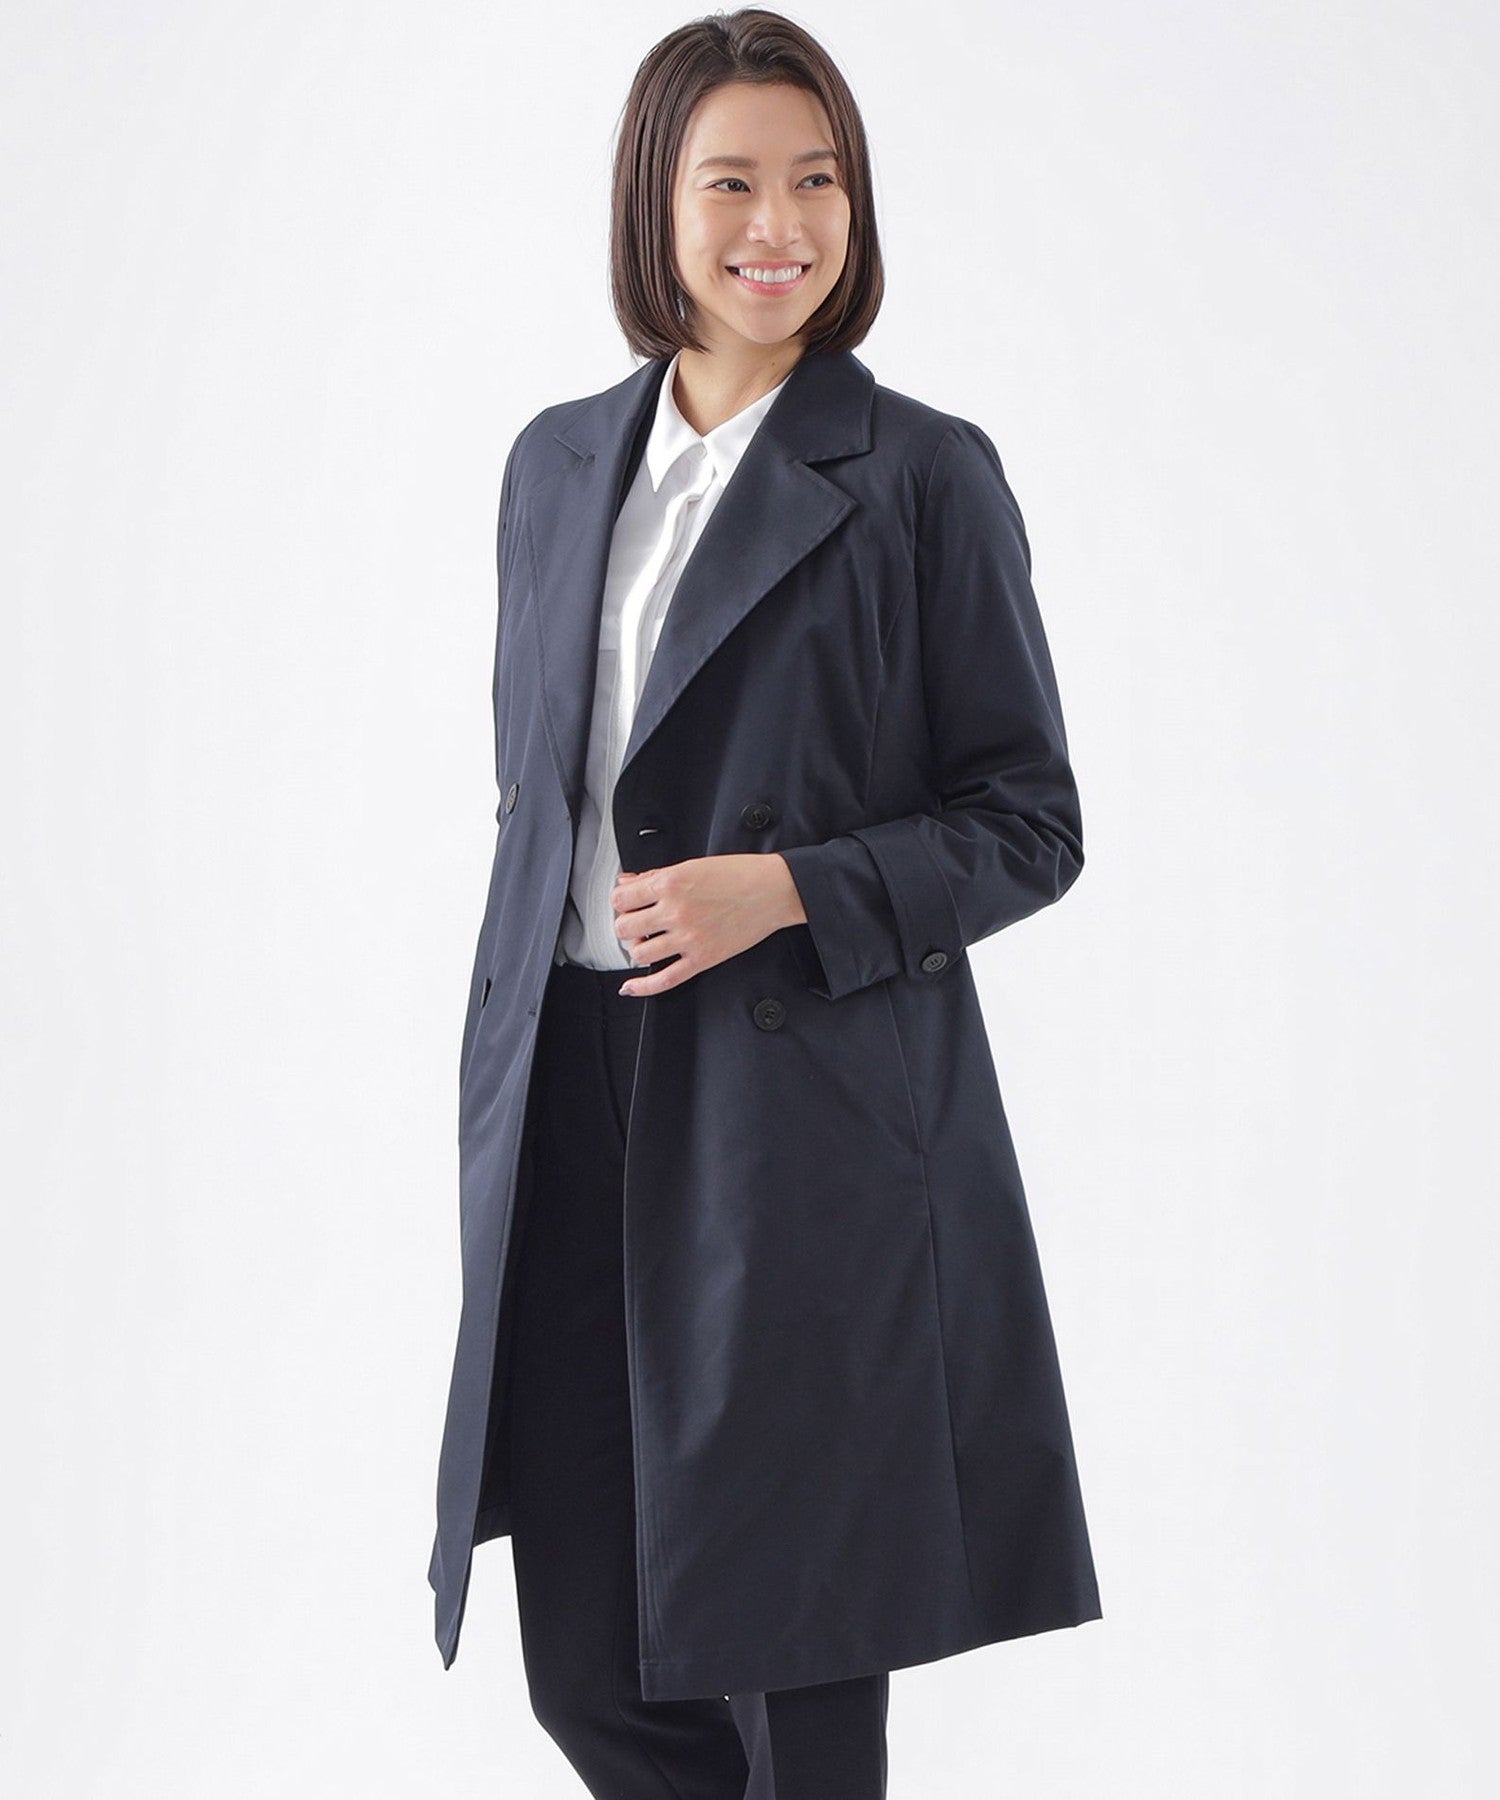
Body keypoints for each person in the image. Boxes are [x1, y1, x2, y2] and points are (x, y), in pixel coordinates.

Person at [429, 10, 1103, 1797]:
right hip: (570, 1093)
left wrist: (789, 889)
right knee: (590, 1670)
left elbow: (1031, 823)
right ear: (654, 202)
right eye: (730, 182)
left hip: (798, 1119)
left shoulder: (921, 474)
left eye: (818, 181)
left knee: (795, 1673)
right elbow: (539, 799)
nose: (778, 227)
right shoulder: (554, 465)